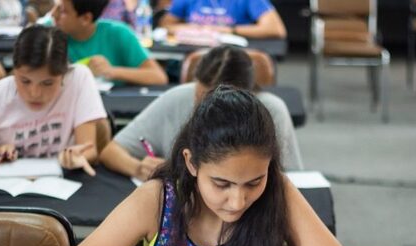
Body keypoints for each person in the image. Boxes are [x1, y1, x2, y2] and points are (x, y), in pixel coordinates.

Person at [34, 86, 371, 246]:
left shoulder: (278, 192)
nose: (237, 201)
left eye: (254, 181)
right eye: (221, 183)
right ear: (192, 162)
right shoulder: (157, 200)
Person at [99, 45, 303, 181]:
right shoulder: (178, 98)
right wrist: (137, 168)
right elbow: (111, 151)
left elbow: (291, 181)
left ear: (246, 96)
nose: (205, 108)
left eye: (217, 103)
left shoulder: (272, 111)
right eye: (200, 97)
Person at [0, 25, 107, 175]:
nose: (35, 93)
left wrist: (75, 156)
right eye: (25, 81)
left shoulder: (78, 79)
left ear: (64, 73)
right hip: (5, 188)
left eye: (47, 83)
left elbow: (88, 149)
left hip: (63, 183)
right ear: (14, 70)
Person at [51, 0, 168, 85]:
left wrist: (111, 71)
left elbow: (158, 76)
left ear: (86, 18)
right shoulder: (48, 32)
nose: (53, 14)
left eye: (62, 11)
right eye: (54, 6)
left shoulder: (118, 33)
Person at [159, 0, 286, 39]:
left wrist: (228, 30)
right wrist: (194, 29)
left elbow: (276, 29)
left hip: (232, 54)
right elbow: (166, 24)